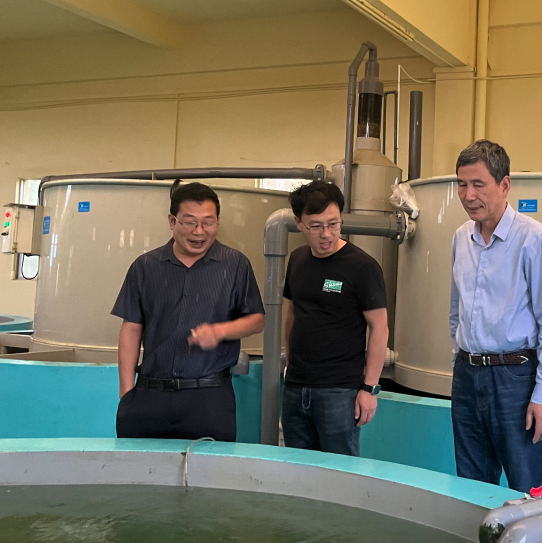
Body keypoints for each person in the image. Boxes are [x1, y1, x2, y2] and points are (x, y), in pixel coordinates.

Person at [449, 139, 542, 494]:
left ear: (504, 186)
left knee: (526, 487)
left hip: (515, 379)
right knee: (470, 486)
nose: (468, 195)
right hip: (467, 375)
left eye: (478, 184)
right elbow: (456, 310)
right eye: (462, 184)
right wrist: (460, 358)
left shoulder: (534, 239)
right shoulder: (460, 238)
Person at [113, 181, 265, 441]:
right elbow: (131, 327)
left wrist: (220, 331)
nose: (199, 231)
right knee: (140, 465)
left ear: (218, 221)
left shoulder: (235, 264)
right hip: (150, 395)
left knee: (208, 466)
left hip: (210, 397)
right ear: (172, 221)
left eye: (208, 222)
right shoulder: (145, 266)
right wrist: (127, 393)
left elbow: (257, 320)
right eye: (190, 222)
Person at [281, 180, 388, 456]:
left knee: (340, 472)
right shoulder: (297, 259)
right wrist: (290, 365)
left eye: (334, 224)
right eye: (316, 226)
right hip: (295, 387)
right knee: (297, 468)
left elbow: (379, 327)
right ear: (299, 223)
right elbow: (292, 314)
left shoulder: (362, 266)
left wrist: (369, 389)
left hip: (340, 391)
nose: (326, 234)